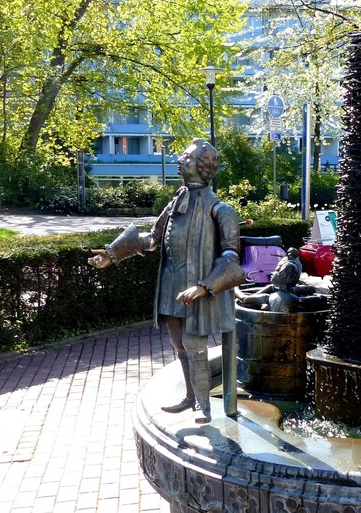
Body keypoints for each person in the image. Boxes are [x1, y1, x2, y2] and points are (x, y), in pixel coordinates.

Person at [87, 138, 244, 423]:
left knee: (193, 343)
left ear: (202, 165)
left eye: (186, 156)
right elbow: (151, 239)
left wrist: (205, 285)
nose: (179, 159)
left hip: (200, 289)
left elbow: (231, 258)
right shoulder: (176, 201)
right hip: (172, 284)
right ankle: (190, 396)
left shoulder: (220, 209)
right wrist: (113, 253)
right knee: (178, 342)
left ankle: (203, 406)